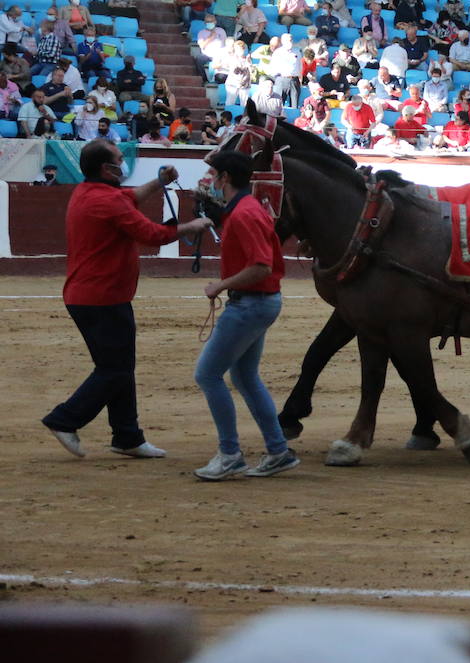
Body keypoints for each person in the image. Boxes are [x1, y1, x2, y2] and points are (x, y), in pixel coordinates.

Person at [42, 141, 213, 459]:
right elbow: (151, 234)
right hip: (102, 297)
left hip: (94, 295)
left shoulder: (91, 193)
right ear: (108, 169)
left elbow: (129, 197)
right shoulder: (107, 201)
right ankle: (64, 419)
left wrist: (159, 182)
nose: (123, 164)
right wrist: (191, 226)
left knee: (118, 367)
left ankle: (127, 435)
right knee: (115, 369)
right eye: (120, 160)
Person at [192, 150, 299, 481]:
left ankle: (230, 454)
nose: (209, 181)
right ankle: (277, 450)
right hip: (259, 302)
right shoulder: (245, 209)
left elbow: (261, 266)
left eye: (213, 175)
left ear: (225, 178)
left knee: (208, 375)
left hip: (250, 303)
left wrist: (220, 285)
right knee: (244, 376)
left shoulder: (244, 214)